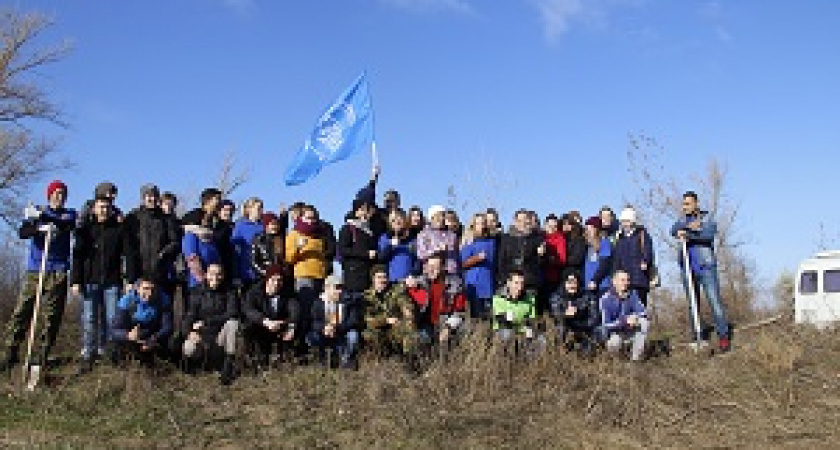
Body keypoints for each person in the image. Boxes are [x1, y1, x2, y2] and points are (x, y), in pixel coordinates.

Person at [1, 181, 77, 377]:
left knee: (52, 316)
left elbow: (67, 225)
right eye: (56, 193)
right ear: (49, 195)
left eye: (62, 193)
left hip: (58, 270)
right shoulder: (38, 212)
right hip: (36, 270)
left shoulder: (68, 214)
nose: (59, 196)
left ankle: (42, 356)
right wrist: (37, 225)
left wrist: (47, 221)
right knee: (23, 311)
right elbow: (23, 232)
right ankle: (10, 353)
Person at [71, 196, 126, 373]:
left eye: (107, 207)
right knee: (89, 318)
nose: (104, 210)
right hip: (89, 281)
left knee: (112, 320)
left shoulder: (118, 229)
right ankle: (88, 354)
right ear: (93, 209)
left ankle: (109, 353)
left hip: (112, 281)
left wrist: (130, 279)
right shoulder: (85, 230)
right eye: (101, 207)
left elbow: (129, 254)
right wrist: (75, 280)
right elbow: (77, 256)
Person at [670, 191, 730, 352]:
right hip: (688, 270)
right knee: (693, 305)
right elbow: (673, 229)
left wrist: (688, 234)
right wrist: (687, 227)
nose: (685, 207)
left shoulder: (707, 218)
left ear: (696, 204)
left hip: (706, 268)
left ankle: (723, 336)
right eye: (684, 204)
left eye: (688, 203)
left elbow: (708, 235)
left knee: (715, 302)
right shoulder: (682, 220)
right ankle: (698, 336)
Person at [182, 263, 240, 385]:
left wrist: (207, 321)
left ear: (223, 276)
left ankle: (228, 366)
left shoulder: (230, 291)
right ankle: (197, 368)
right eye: (212, 273)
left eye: (219, 274)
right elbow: (189, 316)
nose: (216, 277)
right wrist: (189, 332)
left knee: (233, 323)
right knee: (189, 347)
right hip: (202, 335)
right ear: (206, 275)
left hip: (221, 335)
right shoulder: (197, 292)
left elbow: (232, 313)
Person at [123, 184, 180, 303]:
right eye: (148, 196)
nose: (152, 199)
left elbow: (174, 241)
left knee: (163, 309)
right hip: (139, 273)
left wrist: (163, 254)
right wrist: (130, 277)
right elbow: (128, 247)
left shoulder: (166, 218)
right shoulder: (133, 217)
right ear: (143, 198)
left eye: (154, 196)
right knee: (137, 310)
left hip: (161, 273)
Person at [241, 264, 298, 370]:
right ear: (267, 279)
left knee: (297, 328)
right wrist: (265, 321)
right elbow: (248, 310)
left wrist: (291, 326)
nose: (276, 283)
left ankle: (285, 358)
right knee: (247, 327)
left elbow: (294, 310)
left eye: (279, 280)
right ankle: (252, 359)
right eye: (273, 280)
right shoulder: (254, 292)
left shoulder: (288, 292)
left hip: (280, 326)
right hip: (261, 326)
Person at [405, 254, 467, 350]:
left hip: (446, 323)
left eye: (434, 267)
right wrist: (407, 282)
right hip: (426, 325)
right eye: (428, 266)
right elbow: (400, 288)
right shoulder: (421, 282)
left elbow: (459, 312)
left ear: (443, 267)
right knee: (417, 341)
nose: (430, 270)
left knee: (460, 333)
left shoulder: (456, 284)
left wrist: (448, 328)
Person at [109, 276, 173, 368]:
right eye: (145, 289)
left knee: (170, 347)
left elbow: (167, 327)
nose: (149, 293)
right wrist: (127, 335)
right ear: (137, 288)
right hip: (133, 337)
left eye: (153, 289)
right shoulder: (127, 301)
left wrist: (154, 338)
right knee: (114, 348)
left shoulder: (163, 299)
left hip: (153, 336)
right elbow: (114, 329)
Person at [362, 265, 416, 358]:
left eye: (385, 277)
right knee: (368, 334)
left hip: (395, 327)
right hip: (378, 328)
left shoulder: (395, 290)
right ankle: (380, 358)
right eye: (379, 277)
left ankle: (409, 360)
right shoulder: (367, 296)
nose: (383, 280)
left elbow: (405, 303)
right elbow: (367, 320)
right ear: (373, 279)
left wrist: (408, 314)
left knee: (409, 328)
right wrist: (385, 320)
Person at [308, 274, 361, 369]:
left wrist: (336, 328)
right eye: (336, 288)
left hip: (341, 332)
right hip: (324, 333)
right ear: (327, 288)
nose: (339, 291)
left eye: (340, 287)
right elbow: (313, 321)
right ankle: (322, 359)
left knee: (353, 335)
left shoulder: (348, 302)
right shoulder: (318, 303)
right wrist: (324, 327)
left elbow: (352, 321)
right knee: (311, 337)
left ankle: (346, 360)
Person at [598, 270, 648, 362]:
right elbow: (606, 325)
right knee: (615, 342)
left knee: (643, 322)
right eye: (622, 280)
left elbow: (643, 312)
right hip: (614, 334)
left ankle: (635, 360)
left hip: (630, 330)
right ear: (614, 281)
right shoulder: (605, 299)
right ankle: (616, 362)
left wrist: (634, 317)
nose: (626, 283)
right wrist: (624, 321)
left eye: (627, 280)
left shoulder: (633, 294)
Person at [496, 209, 545, 299]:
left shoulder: (537, 238)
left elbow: (541, 263)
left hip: (530, 283)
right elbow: (501, 261)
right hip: (510, 283)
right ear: (514, 221)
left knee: (529, 311)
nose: (522, 223)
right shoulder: (506, 238)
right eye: (519, 220)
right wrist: (504, 280)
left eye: (525, 220)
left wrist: (541, 255)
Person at [492, 270, 543, 355]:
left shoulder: (530, 299)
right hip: (503, 330)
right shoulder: (498, 298)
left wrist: (530, 328)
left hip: (522, 330)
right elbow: (503, 321)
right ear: (509, 283)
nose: (519, 287)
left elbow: (531, 319)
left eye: (521, 283)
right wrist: (519, 325)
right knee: (507, 334)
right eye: (516, 283)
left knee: (541, 339)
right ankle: (505, 361)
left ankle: (529, 362)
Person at [613, 207, 655, 307]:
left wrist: (645, 261)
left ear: (633, 221)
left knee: (640, 307)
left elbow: (648, 251)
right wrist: (615, 274)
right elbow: (617, 258)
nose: (625, 224)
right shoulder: (620, 238)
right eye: (623, 221)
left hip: (639, 279)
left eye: (627, 221)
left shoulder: (642, 235)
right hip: (625, 280)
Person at [549, 272, 599, 355]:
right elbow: (555, 316)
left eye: (575, 282)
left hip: (584, 328)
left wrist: (579, 314)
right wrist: (565, 315)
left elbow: (594, 317)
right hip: (565, 330)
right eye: (569, 282)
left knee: (596, 332)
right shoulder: (556, 297)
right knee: (561, 328)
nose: (572, 285)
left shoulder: (587, 296)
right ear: (564, 283)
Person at [339, 199, 379, 299]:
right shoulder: (348, 228)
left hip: (367, 276)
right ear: (356, 212)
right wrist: (366, 254)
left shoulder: (369, 231)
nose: (364, 213)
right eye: (362, 210)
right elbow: (343, 250)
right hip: (353, 276)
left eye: (367, 210)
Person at [459, 213, 496, 321]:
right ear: (473, 225)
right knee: (476, 318)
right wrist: (476, 258)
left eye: (483, 223)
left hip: (489, 284)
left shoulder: (492, 241)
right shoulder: (469, 241)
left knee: (489, 318)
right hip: (474, 284)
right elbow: (462, 263)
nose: (482, 226)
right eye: (478, 223)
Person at [231, 197, 264, 294]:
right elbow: (235, 250)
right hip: (247, 271)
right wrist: (236, 274)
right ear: (249, 209)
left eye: (262, 208)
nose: (261, 211)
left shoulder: (263, 225)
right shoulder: (240, 226)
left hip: (263, 271)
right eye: (258, 208)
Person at [415, 205, 458, 275]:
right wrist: (437, 249)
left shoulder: (452, 235)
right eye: (437, 216)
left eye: (443, 216)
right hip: (431, 274)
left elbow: (456, 256)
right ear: (431, 218)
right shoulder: (423, 234)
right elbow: (421, 255)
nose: (441, 218)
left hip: (450, 273)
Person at [378, 209, 416, 282]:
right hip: (391, 281)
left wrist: (413, 274)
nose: (396, 222)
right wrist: (390, 246)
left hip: (408, 281)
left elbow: (416, 260)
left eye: (399, 219)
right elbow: (381, 258)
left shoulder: (412, 239)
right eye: (393, 220)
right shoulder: (385, 238)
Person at [542, 213, 567, 312]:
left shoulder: (560, 239)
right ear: (545, 226)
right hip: (540, 276)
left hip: (553, 277)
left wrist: (550, 259)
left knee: (552, 304)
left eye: (555, 226)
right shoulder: (541, 237)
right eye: (550, 226)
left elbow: (562, 259)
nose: (552, 228)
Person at [583, 216, 613, 297]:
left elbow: (605, 264)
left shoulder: (604, 242)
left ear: (597, 229)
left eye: (591, 228)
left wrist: (595, 280)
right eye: (587, 228)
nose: (588, 231)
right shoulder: (587, 245)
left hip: (601, 285)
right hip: (587, 285)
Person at [561, 213, 586, 282]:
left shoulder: (579, 239)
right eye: (564, 224)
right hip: (561, 274)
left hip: (574, 273)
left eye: (568, 224)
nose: (566, 226)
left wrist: (561, 260)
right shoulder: (561, 239)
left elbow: (577, 259)